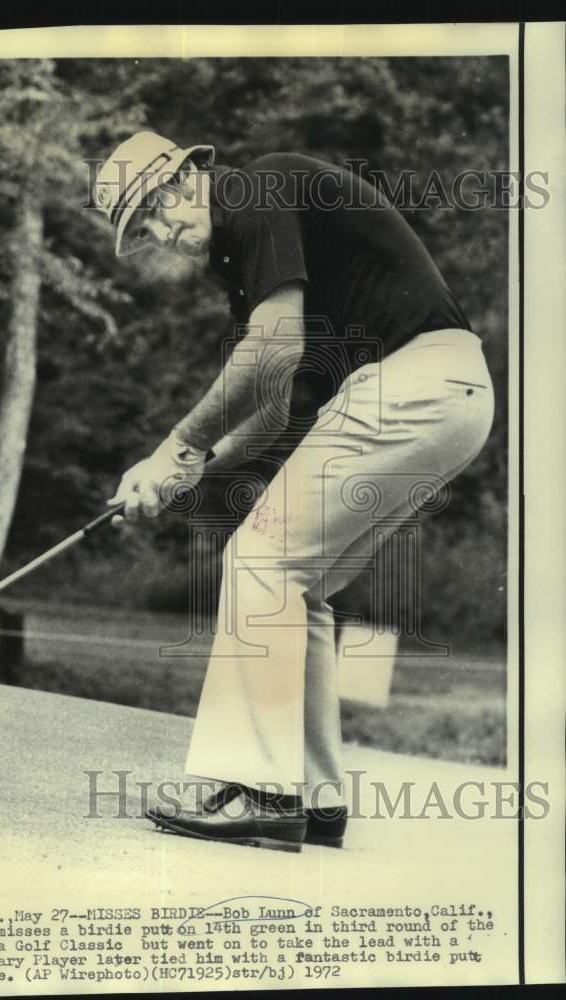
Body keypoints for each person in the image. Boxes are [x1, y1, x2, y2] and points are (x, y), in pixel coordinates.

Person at [93, 130, 494, 853]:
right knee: (294, 579)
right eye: (146, 226)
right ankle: (313, 798)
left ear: (193, 174)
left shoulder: (257, 188)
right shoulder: (252, 260)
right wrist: (191, 469)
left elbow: (270, 348)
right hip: (451, 396)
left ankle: (263, 793)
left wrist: (170, 448)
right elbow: (278, 402)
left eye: (161, 203)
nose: (164, 229)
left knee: (262, 558)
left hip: (414, 383)